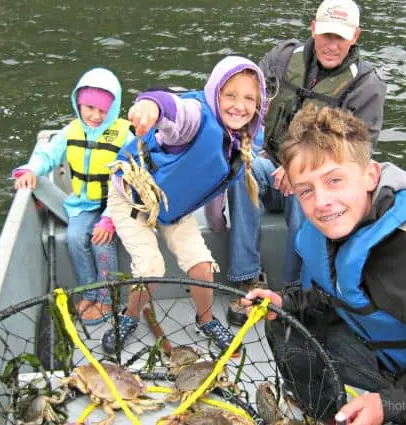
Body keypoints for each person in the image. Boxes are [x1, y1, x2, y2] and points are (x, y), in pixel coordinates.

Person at [242, 103, 406, 424]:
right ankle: (325, 415)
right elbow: (334, 296)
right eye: (306, 190)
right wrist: (287, 302)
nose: (321, 202)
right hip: (392, 363)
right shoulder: (329, 232)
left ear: (370, 175)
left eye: (334, 180)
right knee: (286, 322)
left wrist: (395, 404)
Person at [226, 0, 386, 327]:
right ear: (313, 28)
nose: (331, 45)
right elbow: (243, 94)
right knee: (244, 171)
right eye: (326, 34)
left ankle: (292, 292)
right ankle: (246, 277)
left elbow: (356, 152)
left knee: (309, 194)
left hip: (318, 179)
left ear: (354, 36)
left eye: (340, 38)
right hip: (271, 166)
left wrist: (303, 168)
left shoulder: (366, 86)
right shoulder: (283, 58)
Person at [101, 56, 267, 355]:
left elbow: (213, 184)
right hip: (132, 196)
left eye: (248, 98)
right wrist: (150, 106)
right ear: (214, 93)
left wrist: (217, 224)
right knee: (151, 266)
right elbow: (171, 109)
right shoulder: (195, 119)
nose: (238, 105)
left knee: (203, 267)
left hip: (174, 207)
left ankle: (204, 320)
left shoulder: (241, 141)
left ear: (258, 103)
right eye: (229, 95)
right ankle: (129, 316)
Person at [13, 68, 133, 326]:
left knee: (102, 241)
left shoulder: (125, 136)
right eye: (89, 108)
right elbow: (47, 155)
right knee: (74, 237)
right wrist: (30, 170)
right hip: (86, 203)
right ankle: (90, 292)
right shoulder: (71, 130)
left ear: (113, 110)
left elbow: (131, 180)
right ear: (78, 103)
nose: (95, 116)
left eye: (103, 111)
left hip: (116, 204)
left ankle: (107, 297)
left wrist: (110, 219)